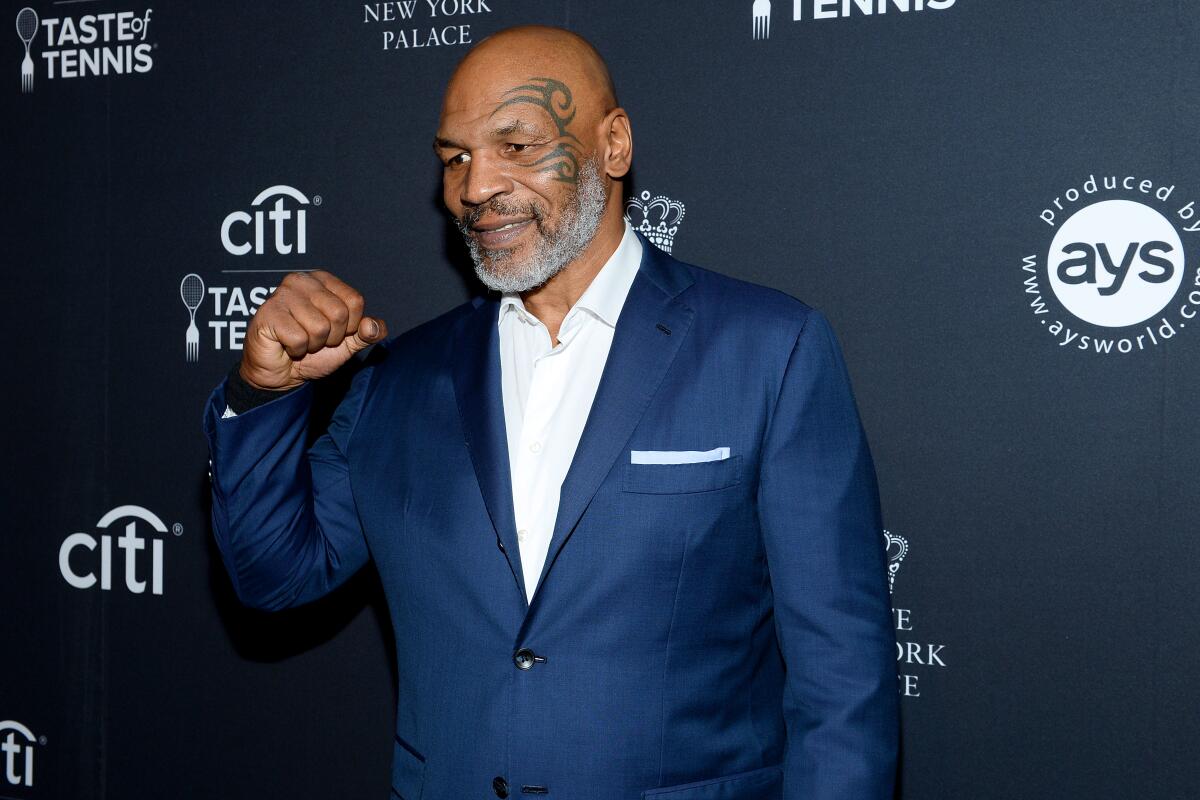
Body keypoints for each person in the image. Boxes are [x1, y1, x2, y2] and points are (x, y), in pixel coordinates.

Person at [204, 25, 898, 800]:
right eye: (454, 158)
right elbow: (274, 578)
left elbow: (842, 678)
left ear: (614, 145)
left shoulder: (767, 349)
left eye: (517, 144)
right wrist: (264, 396)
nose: (474, 188)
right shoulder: (399, 379)